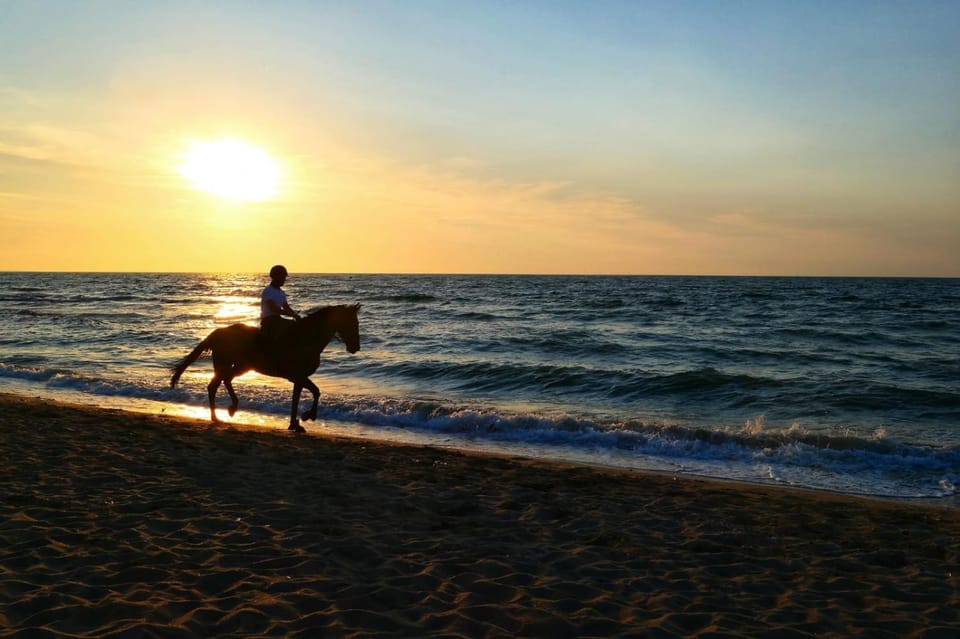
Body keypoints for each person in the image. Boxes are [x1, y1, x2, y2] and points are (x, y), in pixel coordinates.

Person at [260, 264, 301, 343]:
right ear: (275, 276)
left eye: (284, 277)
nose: (284, 279)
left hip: (277, 319)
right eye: (282, 277)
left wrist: (296, 315)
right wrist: (291, 314)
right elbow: (274, 309)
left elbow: (286, 307)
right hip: (269, 321)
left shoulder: (281, 292)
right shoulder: (268, 290)